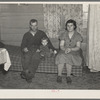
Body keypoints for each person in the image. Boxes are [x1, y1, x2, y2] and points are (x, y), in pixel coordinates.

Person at [21, 19, 56, 83]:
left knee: (36, 58)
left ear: (37, 25)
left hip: (38, 50)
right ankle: (28, 74)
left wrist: (53, 49)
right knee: (26, 57)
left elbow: (48, 42)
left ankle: (27, 74)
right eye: (32, 25)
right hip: (29, 50)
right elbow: (23, 45)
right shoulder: (26, 35)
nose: (34, 27)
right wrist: (24, 48)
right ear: (30, 26)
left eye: (35, 25)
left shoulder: (41, 33)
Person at [55, 19, 83, 84]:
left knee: (69, 56)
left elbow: (78, 47)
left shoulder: (78, 35)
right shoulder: (63, 34)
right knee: (61, 55)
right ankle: (59, 75)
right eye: (68, 26)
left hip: (74, 50)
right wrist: (65, 49)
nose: (69, 27)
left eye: (71, 25)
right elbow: (61, 45)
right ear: (66, 27)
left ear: (74, 26)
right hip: (64, 49)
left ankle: (68, 76)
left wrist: (71, 49)